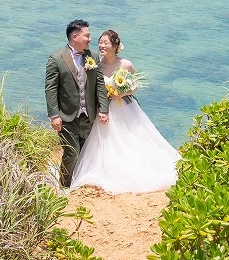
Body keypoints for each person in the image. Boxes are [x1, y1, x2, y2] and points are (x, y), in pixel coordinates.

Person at [69, 29, 180, 193]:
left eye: (106, 42)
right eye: (100, 42)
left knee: (130, 138)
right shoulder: (95, 65)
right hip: (105, 109)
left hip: (125, 108)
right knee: (104, 141)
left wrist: (122, 92)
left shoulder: (125, 64)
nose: (101, 45)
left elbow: (134, 86)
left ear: (115, 46)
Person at [45, 18, 110, 188]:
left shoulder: (93, 56)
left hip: (88, 114)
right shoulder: (56, 58)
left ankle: (80, 183)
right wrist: (54, 115)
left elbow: (100, 85)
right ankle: (64, 186)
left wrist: (104, 109)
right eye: (87, 36)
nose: (90, 39)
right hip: (67, 116)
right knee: (71, 153)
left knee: (86, 152)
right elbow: (51, 88)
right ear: (75, 36)